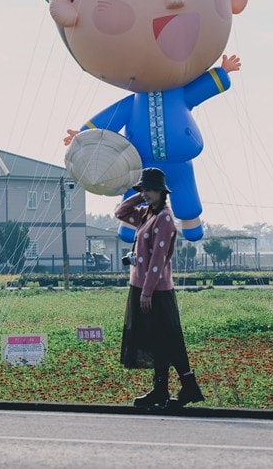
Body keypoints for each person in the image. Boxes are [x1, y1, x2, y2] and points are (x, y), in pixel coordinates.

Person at [37, 0, 249, 243]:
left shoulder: (174, 95)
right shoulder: (133, 102)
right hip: (138, 162)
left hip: (179, 161)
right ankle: (127, 227)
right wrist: (85, 134)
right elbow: (109, 119)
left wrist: (222, 73)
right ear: (67, 9)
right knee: (134, 192)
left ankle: (191, 225)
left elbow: (201, 89)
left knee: (185, 196)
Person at [116, 167, 204, 410]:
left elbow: (158, 259)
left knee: (169, 340)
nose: (145, 193)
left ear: (162, 192)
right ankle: (160, 390)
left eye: (150, 189)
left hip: (156, 290)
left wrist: (147, 291)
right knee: (157, 340)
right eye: (143, 189)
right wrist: (140, 194)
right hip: (142, 287)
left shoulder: (164, 218)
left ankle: (188, 387)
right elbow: (120, 211)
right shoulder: (147, 215)